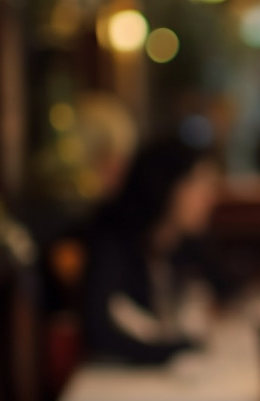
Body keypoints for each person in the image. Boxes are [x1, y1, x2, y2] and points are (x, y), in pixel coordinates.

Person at [81, 136, 225, 363]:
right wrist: (181, 348)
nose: (209, 198)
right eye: (198, 184)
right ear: (166, 185)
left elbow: (227, 285)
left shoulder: (181, 243)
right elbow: (99, 331)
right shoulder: (112, 241)